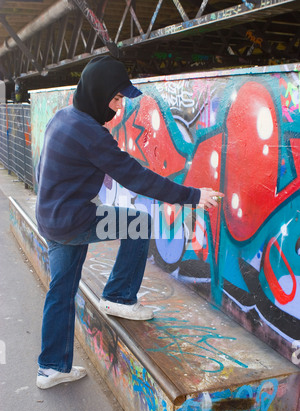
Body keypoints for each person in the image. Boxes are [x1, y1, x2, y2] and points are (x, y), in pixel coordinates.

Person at [35, 55, 223, 389]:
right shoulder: (91, 134)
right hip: (72, 222)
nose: (120, 107)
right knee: (139, 222)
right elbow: (137, 178)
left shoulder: (63, 117)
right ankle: (120, 297)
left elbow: (42, 169)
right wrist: (194, 196)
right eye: (117, 97)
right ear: (98, 93)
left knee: (60, 290)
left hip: (51, 218)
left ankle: (51, 367)